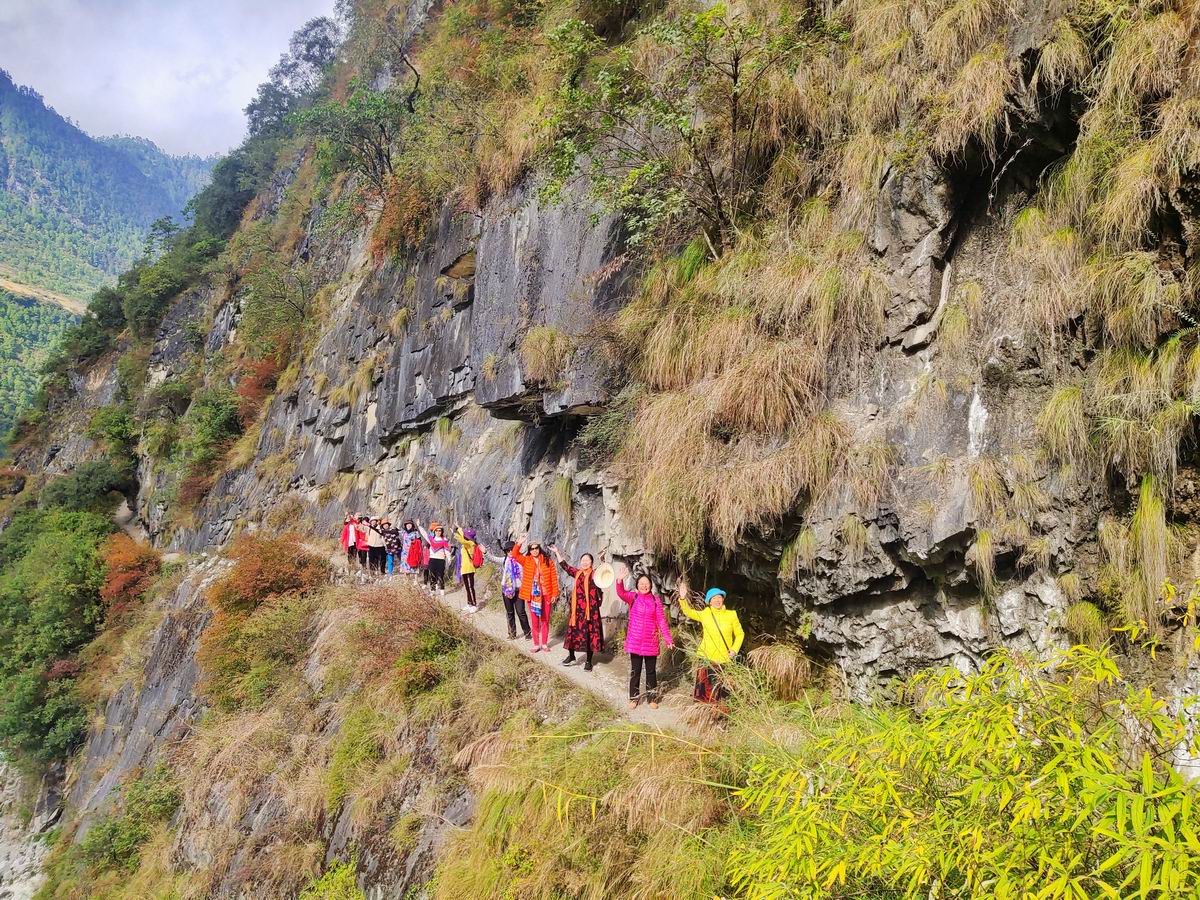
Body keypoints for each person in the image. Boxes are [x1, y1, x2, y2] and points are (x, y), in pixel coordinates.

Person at [676, 577, 745, 705]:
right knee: (705, 689)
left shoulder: (732, 614)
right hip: (706, 657)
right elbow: (688, 612)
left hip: (725, 658)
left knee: (722, 690)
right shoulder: (705, 614)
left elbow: (740, 634)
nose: (717, 600)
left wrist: (734, 650)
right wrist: (683, 598)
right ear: (709, 601)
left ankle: (720, 714)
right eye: (714, 598)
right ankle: (704, 714)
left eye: (719, 597)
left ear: (723, 599)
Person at [613, 564, 674, 709]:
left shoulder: (655, 601)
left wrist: (668, 639)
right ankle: (634, 698)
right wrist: (619, 581)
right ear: (637, 586)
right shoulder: (632, 597)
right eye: (641, 584)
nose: (644, 586)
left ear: (651, 585)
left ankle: (652, 698)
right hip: (635, 641)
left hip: (651, 642)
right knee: (636, 671)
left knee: (651, 671)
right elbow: (621, 593)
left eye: (647, 584)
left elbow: (661, 621)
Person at [550, 545, 604, 671]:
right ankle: (571, 656)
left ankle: (588, 661)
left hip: (590, 611)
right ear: (580, 562)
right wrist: (557, 552)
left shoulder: (595, 574)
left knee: (589, 635)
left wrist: (602, 559)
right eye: (583, 560)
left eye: (588, 560)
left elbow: (603, 572)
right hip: (577, 611)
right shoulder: (577, 573)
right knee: (572, 634)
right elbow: (565, 566)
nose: (585, 562)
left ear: (591, 562)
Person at [511, 538, 560, 652]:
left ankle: (544, 643)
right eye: (532, 549)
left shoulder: (548, 561)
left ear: (539, 548)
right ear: (529, 550)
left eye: (536, 548)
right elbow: (514, 555)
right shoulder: (526, 560)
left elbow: (554, 578)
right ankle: (536, 644)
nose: (534, 550)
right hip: (532, 595)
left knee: (545, 619)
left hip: (546, 594)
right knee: (534, 620)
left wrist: (554, 594)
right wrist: (519, 543)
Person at [491, 541, 531, 640]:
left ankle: (527, 632)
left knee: (521, 612)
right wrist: (485, 553)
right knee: (509, 612)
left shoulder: (521, 560)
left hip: (519, 590)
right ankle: (512, 634)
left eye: (511, 550)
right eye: (507, 550)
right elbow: (493, 559)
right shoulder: (505, 560)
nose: (509, 552)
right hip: (507, 590)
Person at [454, 526, 484, 613]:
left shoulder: (470, 543)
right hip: (464, 568)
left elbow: (461, 540)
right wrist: (459, 529)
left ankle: (474, 604)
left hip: (469, 568)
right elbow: (463, 538)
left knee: (470, 587)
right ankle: (469, 603)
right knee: (467, 587)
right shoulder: (467, 544)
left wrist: (457, 531)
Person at [418, 520, 452, 595]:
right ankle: (432, 590)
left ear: (441, 532)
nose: (438, 532)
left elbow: (446, 550)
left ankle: (442, 590)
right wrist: (419, 526)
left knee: (440, 575)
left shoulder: (444, 540)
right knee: (432, 575)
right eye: (437, 531)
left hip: (441, 559)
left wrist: (449, 558)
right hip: (432, 559)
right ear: (434, 531)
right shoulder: (431, 539)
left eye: (440, 531)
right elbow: (424, 534)